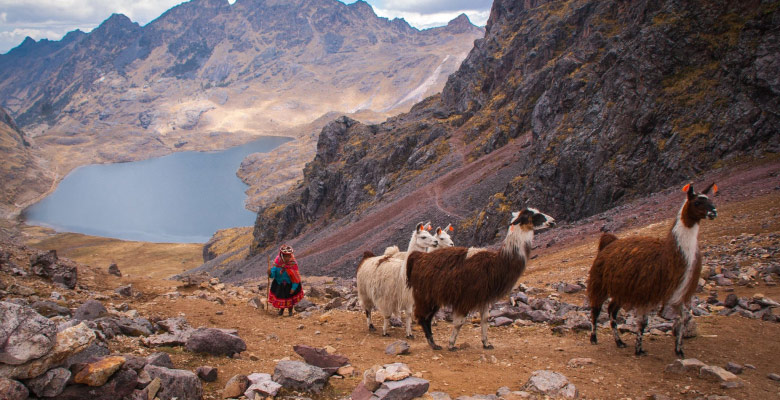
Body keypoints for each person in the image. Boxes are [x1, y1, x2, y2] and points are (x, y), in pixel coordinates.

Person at [268, 244, 304, 316]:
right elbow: (273, 275)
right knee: (282, 297)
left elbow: (296, 277)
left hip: (290, 284)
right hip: (279, 284)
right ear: (282, 255)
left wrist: (294, 287)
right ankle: (281, 311)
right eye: (286, 256)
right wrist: (269, 273)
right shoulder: (277, 263)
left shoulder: (293, 264)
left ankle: (290, 312)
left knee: (290, 298)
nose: (288, 258)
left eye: (289, 256)